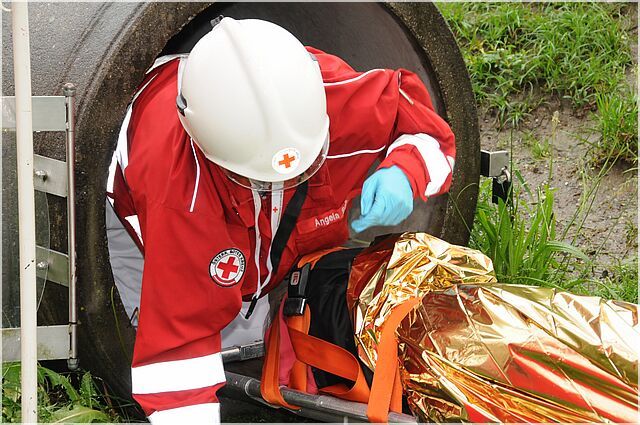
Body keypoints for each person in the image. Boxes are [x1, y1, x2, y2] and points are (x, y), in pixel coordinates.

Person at [106, 17, 455, 423]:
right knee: (170, 344)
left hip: (263, 220)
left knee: (265, 339)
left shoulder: (326, 95)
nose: (283, 184)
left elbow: (422, 124)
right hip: (140, 224)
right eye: (260, 180)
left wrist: (406, 169)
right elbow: (176, 353)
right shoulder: (179, 188)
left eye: (300, 169)